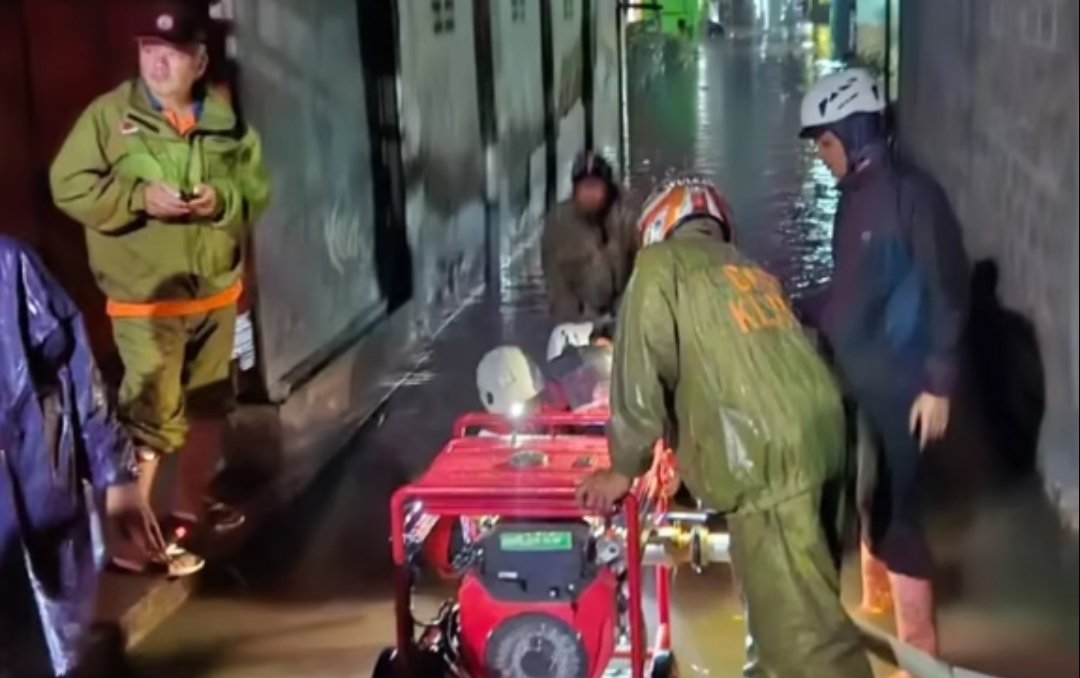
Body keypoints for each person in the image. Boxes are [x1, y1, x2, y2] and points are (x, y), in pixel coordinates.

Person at [576, 175, 873, 678]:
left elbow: (642, 370)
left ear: (658, 230)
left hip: (768, 459)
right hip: (833, 440)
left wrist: (623, 468)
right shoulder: (752, 273)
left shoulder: (658, 267)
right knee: (791, 609)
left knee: (809, 647)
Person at [48, 1, 270, 572]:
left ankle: (189, 509)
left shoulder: (222, 118)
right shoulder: (108, 118)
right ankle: (128, 539)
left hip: (215, 294)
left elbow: (257, 190)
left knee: (207, 408)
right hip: (146, 299)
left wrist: (222, 200)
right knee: (150, 417)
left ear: (198, 62)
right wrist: (137, 200)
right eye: (149, 52)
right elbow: (66, 185)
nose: (157, 65)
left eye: (171, 55)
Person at [797, 68, 970, 672]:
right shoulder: (856, 203)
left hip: (905, 390)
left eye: (825, 142)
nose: (822, 157)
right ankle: (876, 613)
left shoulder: (911, 197)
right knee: (869, 502)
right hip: (861, 385)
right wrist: (789, 305)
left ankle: (919, 655)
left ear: (854, 130)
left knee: (903, 520)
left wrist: (939, 382)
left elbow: (948, 287)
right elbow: (851, 294)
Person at [0, 236, 182, 677]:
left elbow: (75, 370)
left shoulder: (10, 269)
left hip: (36, 508)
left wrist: (117, 476)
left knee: (54, 642)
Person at [540, 151, 638, 330]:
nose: (590, 194)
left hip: (625, 315)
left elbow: (641, 271)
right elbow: (556, 288)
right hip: (579, 322)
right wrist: (580, 324)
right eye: (585, 186)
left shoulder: (627, 217)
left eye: (595, 186)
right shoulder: (558, 225)